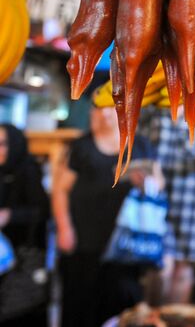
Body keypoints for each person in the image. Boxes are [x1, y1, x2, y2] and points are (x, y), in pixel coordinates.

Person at [52, 84, 158, 327]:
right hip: (84, 239)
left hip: (126, 242)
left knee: (120, 302)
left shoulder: (141, 145)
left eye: (111, 107)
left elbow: (158, 184)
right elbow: (60, 190)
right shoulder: (81, 147)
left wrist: (146, 182)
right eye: (99, 108)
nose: (105, 113)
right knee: (79, 300)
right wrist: (64, 228)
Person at [140, 101, 195, 304]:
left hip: (193, 199)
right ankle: (153, 316)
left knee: (184, 264)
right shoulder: (152, 111)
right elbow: (139, 144)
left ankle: (176, 316)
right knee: (159, 264)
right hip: (158, 196)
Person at [0, 124, 49, 327]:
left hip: (24, 254)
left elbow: (42, 211)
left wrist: (10, 215)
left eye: (3, 144)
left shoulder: (28, 170)